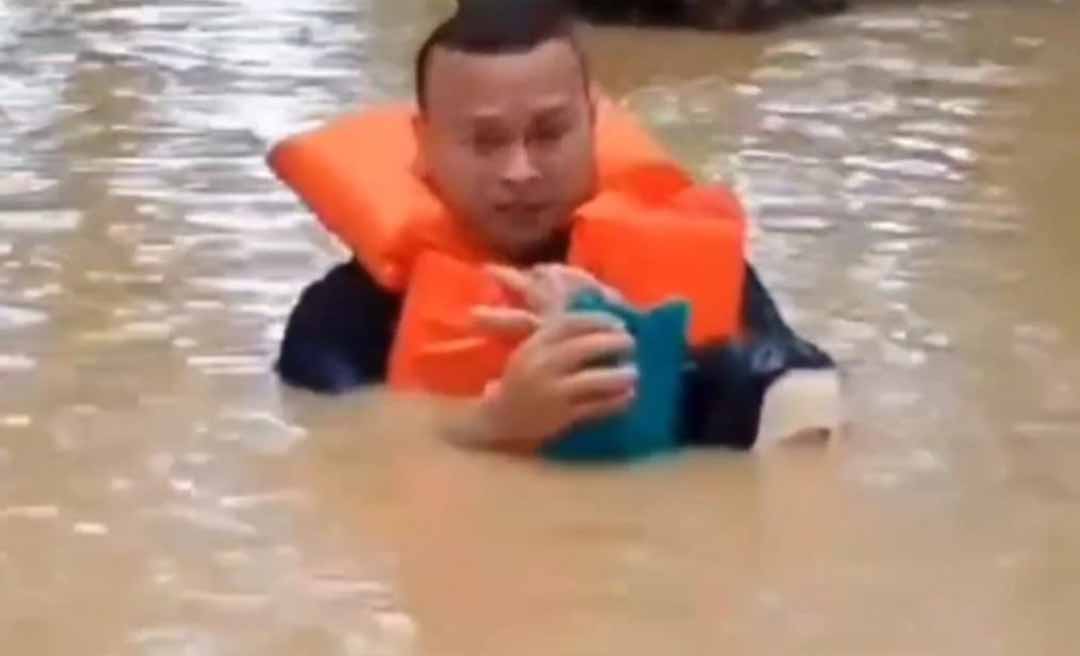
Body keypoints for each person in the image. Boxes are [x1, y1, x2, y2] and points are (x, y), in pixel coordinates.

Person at [274, 0, 840, 452]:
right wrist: (488, 427)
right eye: (485, 142)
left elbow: (810, 402)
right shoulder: (343, 319)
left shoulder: (700, 273)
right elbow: (340, 444)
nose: (520, 171)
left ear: (592, 125)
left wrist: (641, 353)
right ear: (425, 146)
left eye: (548, 134)